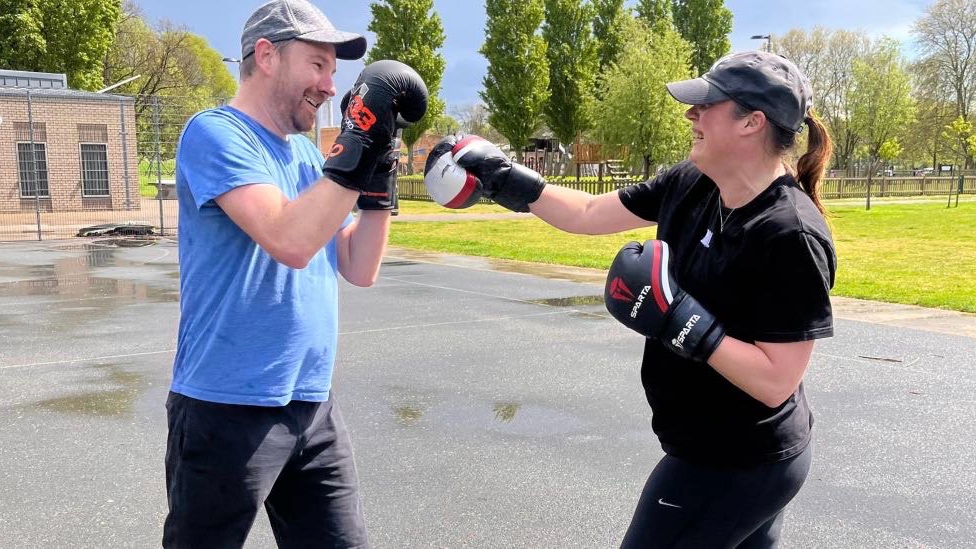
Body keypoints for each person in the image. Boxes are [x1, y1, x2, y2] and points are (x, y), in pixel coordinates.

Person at [426, 51, 836, 548]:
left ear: (752, 122)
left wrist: (680, 320)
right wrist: (507, 178)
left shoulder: (789, 233)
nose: (692, 115)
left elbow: (775, 380)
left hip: (738, 460)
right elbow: (589, 212)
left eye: (707, 104)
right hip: (713, 447)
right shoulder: (693, 182)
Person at [165, 0, 427, 546]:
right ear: (266, 55)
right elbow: (289, 239)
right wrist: (357, 150)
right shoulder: (215, 134)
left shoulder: (308, 158)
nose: (332, 85)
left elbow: (358, 267)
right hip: (226, 406)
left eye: (335, 70)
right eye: (318, 65)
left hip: (311, 407)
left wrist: (378, 182)